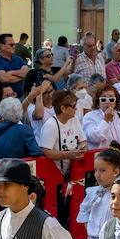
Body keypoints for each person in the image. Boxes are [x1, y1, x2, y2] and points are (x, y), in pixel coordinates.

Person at [37, 91, 85, 227]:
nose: (76, 109)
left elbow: (83, 140)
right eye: (74, 106)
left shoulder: (74, 120)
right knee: (58, 209)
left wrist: (82, 147)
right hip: (56, 175)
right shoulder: (51, 125)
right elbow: (46, 151)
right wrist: (68, 154)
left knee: (71, 207)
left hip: (72, 174)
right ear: (63, 108)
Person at [0, 97, 42, 162]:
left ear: (1, 112)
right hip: (17, 169)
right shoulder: (25, 130)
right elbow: (36, 153)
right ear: (20, 112)